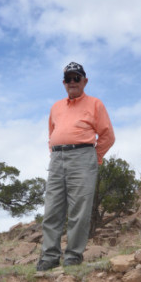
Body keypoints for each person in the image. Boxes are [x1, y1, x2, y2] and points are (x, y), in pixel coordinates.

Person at [37, 62, 115, 271]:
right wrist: (54, 152)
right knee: (52, 208)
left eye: (76, 78)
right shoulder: (56, 107)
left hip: (83, 156)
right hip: (57, 158)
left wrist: (93, 157)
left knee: (79, 210)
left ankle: (73, 256)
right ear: (64, 83)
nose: (72, 82)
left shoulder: (95, 104)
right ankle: (49, 256)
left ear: (84, 81)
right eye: (68, 79)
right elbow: (51, 133)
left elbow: (107, 136)